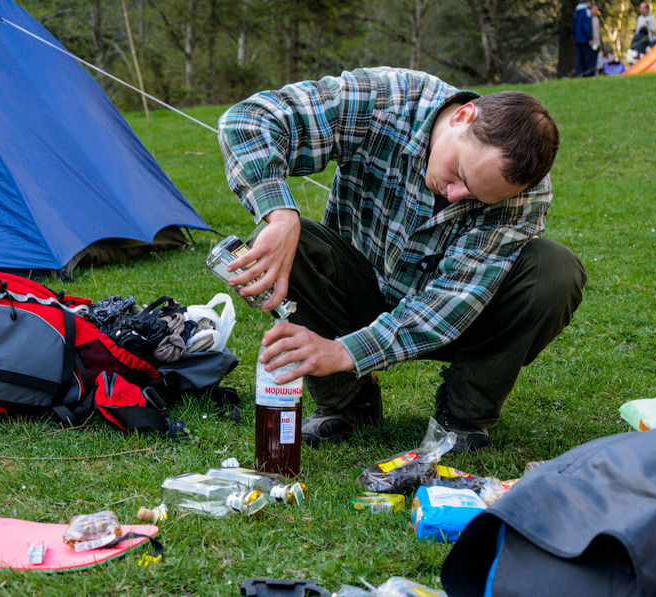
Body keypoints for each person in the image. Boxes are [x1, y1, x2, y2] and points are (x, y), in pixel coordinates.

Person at [217, 68, 586, 452]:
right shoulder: (386, 99)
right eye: (458, 172)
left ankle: (464, 413)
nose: (456, 195)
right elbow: (247, 121)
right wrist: (279, 213)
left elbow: (447, 306)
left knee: (554, 269)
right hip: (357, 290)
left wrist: (340, 352)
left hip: (457, 317)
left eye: (478, 197)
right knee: (283, 239)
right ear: (462, 116)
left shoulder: (524, 196)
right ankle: (346, 403)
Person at [572, 1, 596, 77]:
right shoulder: (586, 11)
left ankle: (579, 75)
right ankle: (588, 75)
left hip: (578, 39)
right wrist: (590, 38)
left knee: (579, 59)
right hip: (585, 40)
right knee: (588, 58)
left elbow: (574, 27)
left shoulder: (576, 12)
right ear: (587, 3)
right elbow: (587, 26)